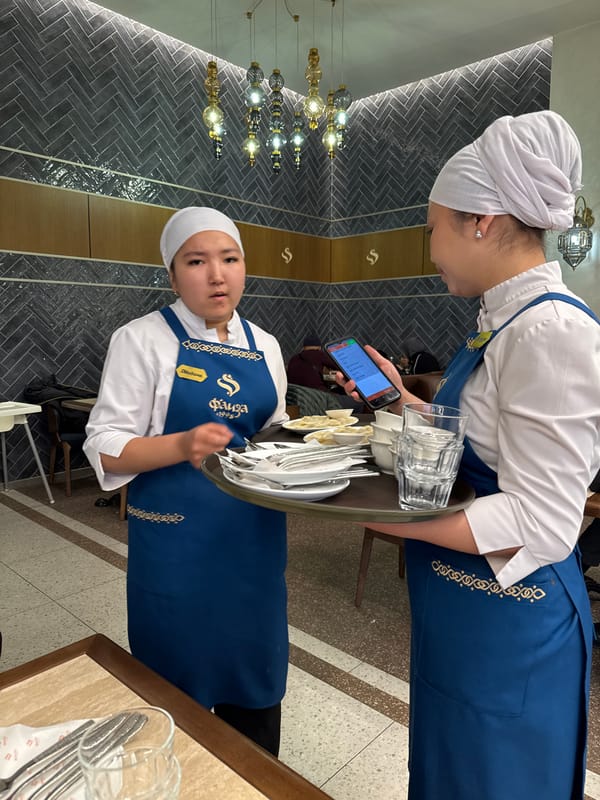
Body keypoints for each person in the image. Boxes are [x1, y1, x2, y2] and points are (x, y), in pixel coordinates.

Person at [339, 111, 600, 799]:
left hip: (513, 624)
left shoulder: (549, 331)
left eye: (433, 228)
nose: (432, 250)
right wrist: (402, 402)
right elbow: (479, 440)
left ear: (481, 220)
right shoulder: (503, 319)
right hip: (465, 613)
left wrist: (388, 521)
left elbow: (545, 521)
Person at [84, 207, 289, 756]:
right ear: (173, 276)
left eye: (230, 259)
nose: (216, 274)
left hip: (255, 546)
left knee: (256, 689)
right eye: (196, 261)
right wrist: (181, 444)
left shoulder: (265, 345)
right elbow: (103, 443)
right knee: (176, 693)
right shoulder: (141, 340)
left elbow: (273, 433)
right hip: (178, 548)